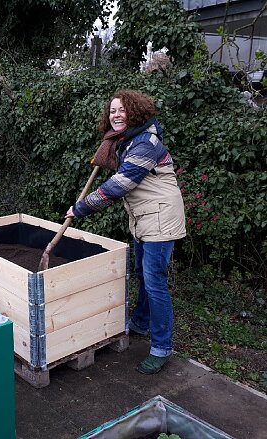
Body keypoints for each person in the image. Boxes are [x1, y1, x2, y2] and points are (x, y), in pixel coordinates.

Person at [66, 90, 186, 374]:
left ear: (135, 113)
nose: (116, 115)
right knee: (143, 275)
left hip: (160, 219)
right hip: (143, 218)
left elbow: (120, 184)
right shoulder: (126, 141)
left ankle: (161, 347)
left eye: (121, 110)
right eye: (112, 111)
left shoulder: (146, 143)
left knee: (155, 282)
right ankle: (141, 324)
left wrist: (81, 208)